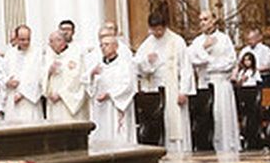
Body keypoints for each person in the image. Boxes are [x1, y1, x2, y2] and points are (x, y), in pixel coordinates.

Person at [136, 12, 189, 152]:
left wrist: (184, 91)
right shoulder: (148, 43)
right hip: (154, 87)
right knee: (156, 121)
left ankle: (177, 150)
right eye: (154, 30)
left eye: (159, 29)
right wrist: (148, 62)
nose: (157, 33)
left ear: (165, 27)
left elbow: (185, 67)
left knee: (174, 122)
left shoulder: (177, 41)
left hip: (173, 87)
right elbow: (137, 65)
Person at [187, 11, 238, 154]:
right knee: (207, 118)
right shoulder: (197, 42)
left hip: (221, 82)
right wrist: (203, 48)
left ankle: (227, 147)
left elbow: (230, 61)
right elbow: (190, 58)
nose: (202, 22)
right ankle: (208, 148)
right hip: (204, 83)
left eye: (206, 19)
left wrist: (209, 63)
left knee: (222, 118)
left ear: (214, 20)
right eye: (200, 20)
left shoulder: (224, 39)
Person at [86, 30, 136, 150]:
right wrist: (92, 75)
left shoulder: (124, 65)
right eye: (101, 45)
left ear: (116, 46)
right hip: (101, 109)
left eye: (107, 45)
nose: (103, 48)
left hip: (115, 106)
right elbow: (88, 85)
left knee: (117, 134)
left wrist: (110, 94)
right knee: (102, 132)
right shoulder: (98, 65)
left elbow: (128, 85)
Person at [237, 26, 270, 150]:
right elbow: (239, 65)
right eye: (248, 39)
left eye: (253, 38)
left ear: (259, 38)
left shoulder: (265, 50)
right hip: (246, 84)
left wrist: (255, 70)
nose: (250, 41)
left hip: (262, 80)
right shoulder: (244, 51)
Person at [0, 25, 46, 123]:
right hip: (12, 100)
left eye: (28, 39)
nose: (26, 42)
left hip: (29, 101)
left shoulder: (37, 53)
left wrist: (22, 93)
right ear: (16, 39)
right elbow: (1, 74)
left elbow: (39, 76)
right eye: (22, 39)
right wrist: (7, 82)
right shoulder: (9, 54)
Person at [45, 29, 88, 124]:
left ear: (62, 41)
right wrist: (48, 72)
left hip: (68, 102)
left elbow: (77, 79)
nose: (50, 44)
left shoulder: (75, 56)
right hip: (53, 103)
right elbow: (41, 77)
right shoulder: (48, 57)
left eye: (52, 41)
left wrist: (61, 94)